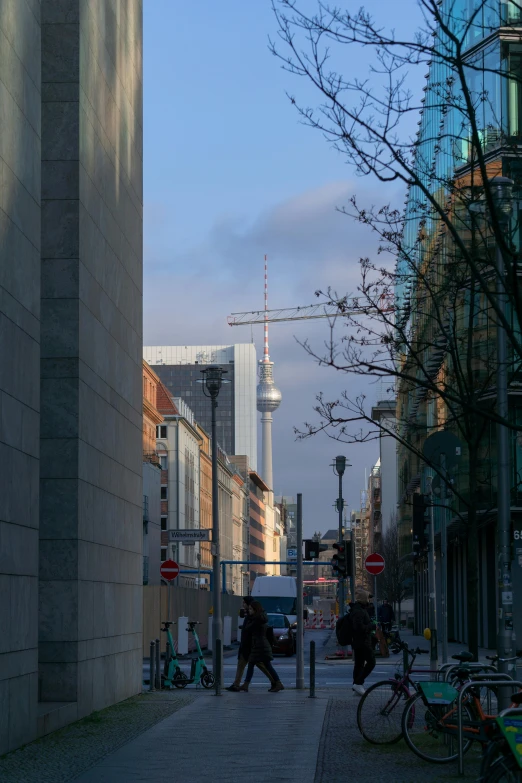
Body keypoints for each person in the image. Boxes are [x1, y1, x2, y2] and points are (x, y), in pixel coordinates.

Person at [226, 597, 276, 692]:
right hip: (250, 644)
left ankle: (275, 681)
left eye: (244, 603)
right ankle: (238, 684)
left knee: (259, 664)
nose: (243, 605)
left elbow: (251, 629)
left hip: (250, 645)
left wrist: (246, 628)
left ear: (249, 604)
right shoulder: (252, 614)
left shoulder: (253, 615)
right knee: (250, 664)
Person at [239, 601, 284, 692]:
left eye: (251, 609)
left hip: (260, 646)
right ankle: (246, 684)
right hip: (260, 645)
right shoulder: (260, 618)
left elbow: (248, 628)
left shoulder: (257, 619)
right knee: (259, 665)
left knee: (264, 665)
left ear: (256, 610)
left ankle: (278, 683)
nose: (249, 611)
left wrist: (248, 617)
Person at [351, 589, 376, 696]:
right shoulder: (359, 611)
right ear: (364, 599)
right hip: (362, 642)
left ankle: (356, 685)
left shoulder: (359, 609)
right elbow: (359, 628)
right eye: (368, 598)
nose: (369, 600)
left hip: (359, 641)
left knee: (359, 664)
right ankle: (358, 683)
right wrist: (371, 626)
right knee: (371, 662)